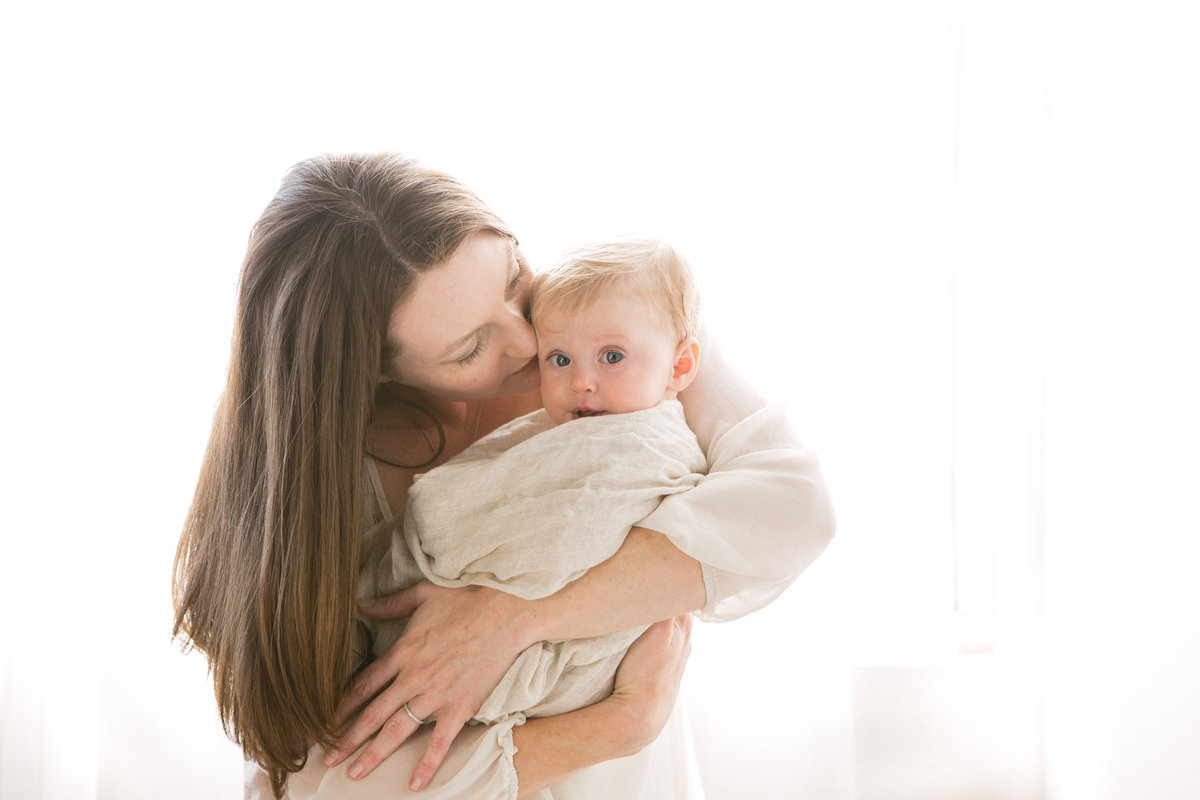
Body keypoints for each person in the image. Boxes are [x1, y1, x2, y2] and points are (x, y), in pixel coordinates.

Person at [172, 153, 835, 800]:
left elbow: (795, 507)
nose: (527, 340)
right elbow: (336, 785)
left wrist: (518, 616)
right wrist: (615, 726)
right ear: (376, 374)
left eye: (514, 276)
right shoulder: (325, 494)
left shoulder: (612, 318)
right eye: (469, 349)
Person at [363, 238, 708, 729]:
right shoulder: (561, 421)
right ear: (384, 374)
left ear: (680, 366)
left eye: (611, 356)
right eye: (560, 359)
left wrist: (629, 719)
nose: (579, 381)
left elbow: (575, 529)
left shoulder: (649, 436)